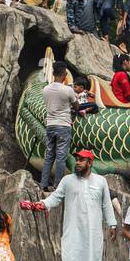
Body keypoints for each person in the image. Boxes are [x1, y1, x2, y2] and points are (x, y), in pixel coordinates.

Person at [28, 149, 118, 261]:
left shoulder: (100, 181)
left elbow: (106, 204)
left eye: (82, 160)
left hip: (94, 232)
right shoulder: (67, 180)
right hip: (74, 231)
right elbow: (56, 197)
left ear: (90, 163)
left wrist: (112, 224)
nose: (77, 162)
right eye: (77, 159)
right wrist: (43, 203)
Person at [37, 60, 78, 191]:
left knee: (49, 156)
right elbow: (76, 105)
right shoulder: (68, 90)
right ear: (64, 74)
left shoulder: (45, 90)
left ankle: (43, 184)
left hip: (50, 125)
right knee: (61, 157)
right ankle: (57, 186)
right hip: (63, 126)